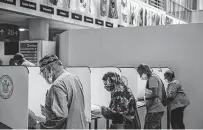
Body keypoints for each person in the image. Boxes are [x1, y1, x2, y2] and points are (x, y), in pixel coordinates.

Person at [38, 54, 87, 129]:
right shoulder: (74, 78)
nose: (44, 76)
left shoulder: (57, 85)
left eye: (42, 71)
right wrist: (48, 113)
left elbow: (60, 117)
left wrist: (41, 126)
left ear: (49, 68)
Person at [137, 64, 165, 129]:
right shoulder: (154, 77)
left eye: (141, 74)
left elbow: (154, 93)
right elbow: (151, 93)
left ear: (145, 71)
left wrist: (143, 99)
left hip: (154, 110)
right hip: (156, 109)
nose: (141, 76)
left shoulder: (152, 78)